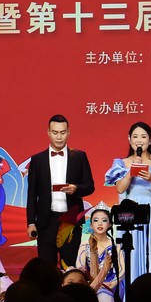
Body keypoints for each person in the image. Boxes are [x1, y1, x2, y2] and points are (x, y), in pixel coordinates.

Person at [105, 121, 151, 278]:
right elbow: (120, 189)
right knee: (132, 249)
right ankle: (132, 287)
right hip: (131, 210)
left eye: (143, 136)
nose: (139, 140)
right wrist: (131, 172)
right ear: (129, 139)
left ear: (150, 140)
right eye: (135, 136)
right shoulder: (122, 163)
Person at [26, 115, 96, 268]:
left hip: (70, 221)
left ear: (68, 132)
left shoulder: (79, 156)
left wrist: (76, 189)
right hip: (46, 222)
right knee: (46, 268)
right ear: (48, 132)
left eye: (63, 132)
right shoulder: (37, 160)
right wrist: (31, 222)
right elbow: (31, 194)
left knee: (69, 267)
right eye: (55, 132)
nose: (59, 137)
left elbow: (90, 186)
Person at [75, 206, 123, 302]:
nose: (100, 223)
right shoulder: (84, 245)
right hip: (90, 284)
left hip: (110, 285)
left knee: (105, 299)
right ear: (91, 225)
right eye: (96, 220)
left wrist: (111, 283)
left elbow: (122, 269)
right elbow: (80, 267)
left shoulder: (115, 246)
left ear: (110, 224)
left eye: (104, 220)